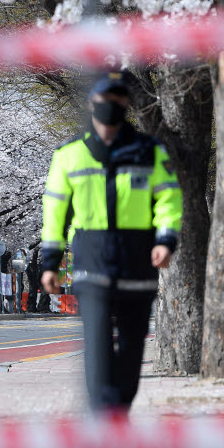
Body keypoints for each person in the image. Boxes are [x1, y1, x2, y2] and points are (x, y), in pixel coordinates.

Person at [39, 71, 182, 412]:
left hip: (139, 263)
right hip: (92, 263)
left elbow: (169, 199)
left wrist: (166, 240)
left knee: (132, 347)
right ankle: (104, 416)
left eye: (119, 100)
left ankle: (119, 411)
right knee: (98, 345)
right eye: (106, 100)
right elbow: (54, 211)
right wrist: (50, 263)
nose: (113, 106)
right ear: (92, 103)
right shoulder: (68, 155)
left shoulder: (150, 152)